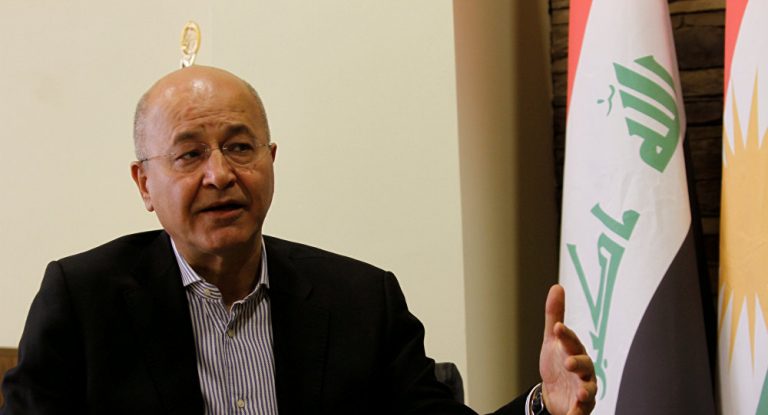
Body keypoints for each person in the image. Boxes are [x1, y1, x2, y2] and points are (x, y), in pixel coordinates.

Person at [0, 66, 596, 414]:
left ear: (271, 160)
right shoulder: (83, 299)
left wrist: (542, 404)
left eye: (240, 147)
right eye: (189, 154)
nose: (220, 174)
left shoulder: (361, 299)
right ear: (144, 184)